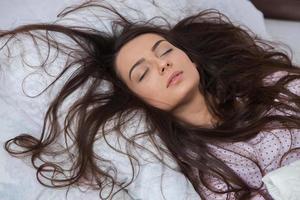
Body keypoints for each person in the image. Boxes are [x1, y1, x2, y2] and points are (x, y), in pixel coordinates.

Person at [1, 1, 300, 200]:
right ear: (138, 101)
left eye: (165, 51)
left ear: (190, 58)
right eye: (143, 73)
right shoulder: (205, 169)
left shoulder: (270, 86)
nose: (163, 65)